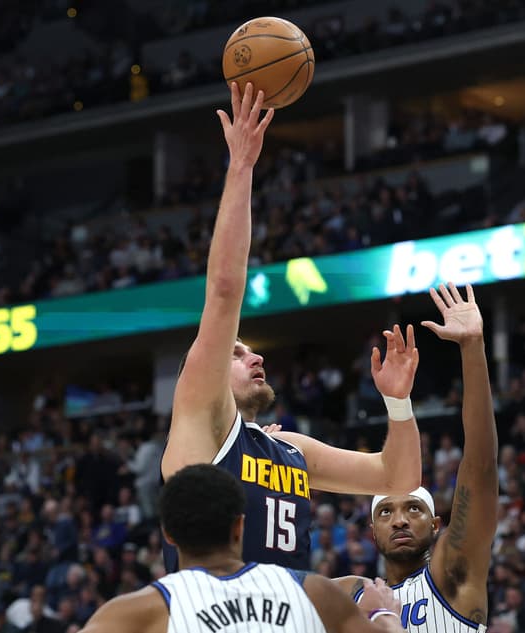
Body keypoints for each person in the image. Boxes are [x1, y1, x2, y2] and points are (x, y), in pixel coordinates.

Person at [161, 82, 421, 572]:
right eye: (236, 354)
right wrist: (241, 165)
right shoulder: (200, 421)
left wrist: (398, 401)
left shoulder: (289, 449)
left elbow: (398, 476)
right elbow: (223, 293)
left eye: (250, 351)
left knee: (362, 594)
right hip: (218, 619)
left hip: (285, 614)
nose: (254, 357)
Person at [336, 283, 497, 632]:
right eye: (386, 512)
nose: (399, 520)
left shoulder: (451, 573)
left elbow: (481, 466)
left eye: (413, 508)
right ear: (372, 531)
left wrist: (472, 346)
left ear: (436, 524)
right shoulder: (354, 594)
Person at [79, 464, 406, 633]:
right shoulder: (314, 593)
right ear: (240, 526)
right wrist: (383, 613)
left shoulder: (138, 611)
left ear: (168, 534)